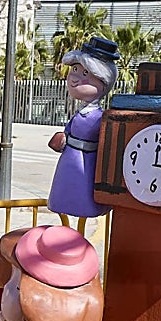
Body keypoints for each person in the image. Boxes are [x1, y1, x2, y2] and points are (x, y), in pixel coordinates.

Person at [47, 37, 120, 220]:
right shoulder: (80, 113)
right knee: (64, 194)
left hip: (86, 164)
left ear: (103, 82)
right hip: (69, 160)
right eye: (75, 70)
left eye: (85, 73)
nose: (74, 78)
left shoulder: (99, 118)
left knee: (83, 197)